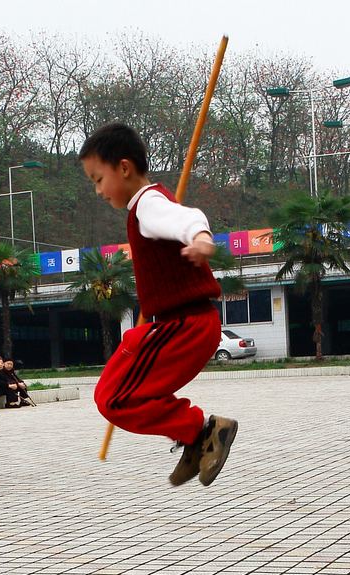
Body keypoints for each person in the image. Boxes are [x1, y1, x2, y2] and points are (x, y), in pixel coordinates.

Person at [80, 122, 238, 487]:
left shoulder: (148, 204)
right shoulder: (143, 206)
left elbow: (185, 217)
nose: (98, 190)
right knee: (111, 394)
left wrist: (200, 238)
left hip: (185, 326)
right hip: (176, 324)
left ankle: (201, 431)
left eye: (98, 178)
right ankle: (196, 435)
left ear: (123, 167)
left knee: (115, 399)